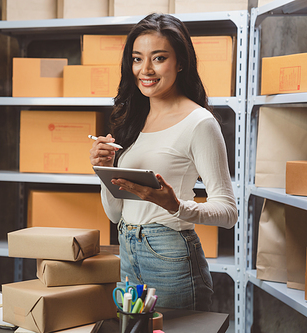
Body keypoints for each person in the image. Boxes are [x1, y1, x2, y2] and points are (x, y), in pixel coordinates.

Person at [89, 13, 238, 311]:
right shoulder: (132, 119)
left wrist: (176, 206)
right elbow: (116, 214)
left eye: (158, 58)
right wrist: (102, 170)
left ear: (180, 62)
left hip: (171, 253)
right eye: (137, 58)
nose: (145, 69)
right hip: (128, 248)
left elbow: (228, 211)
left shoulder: (199, 123)